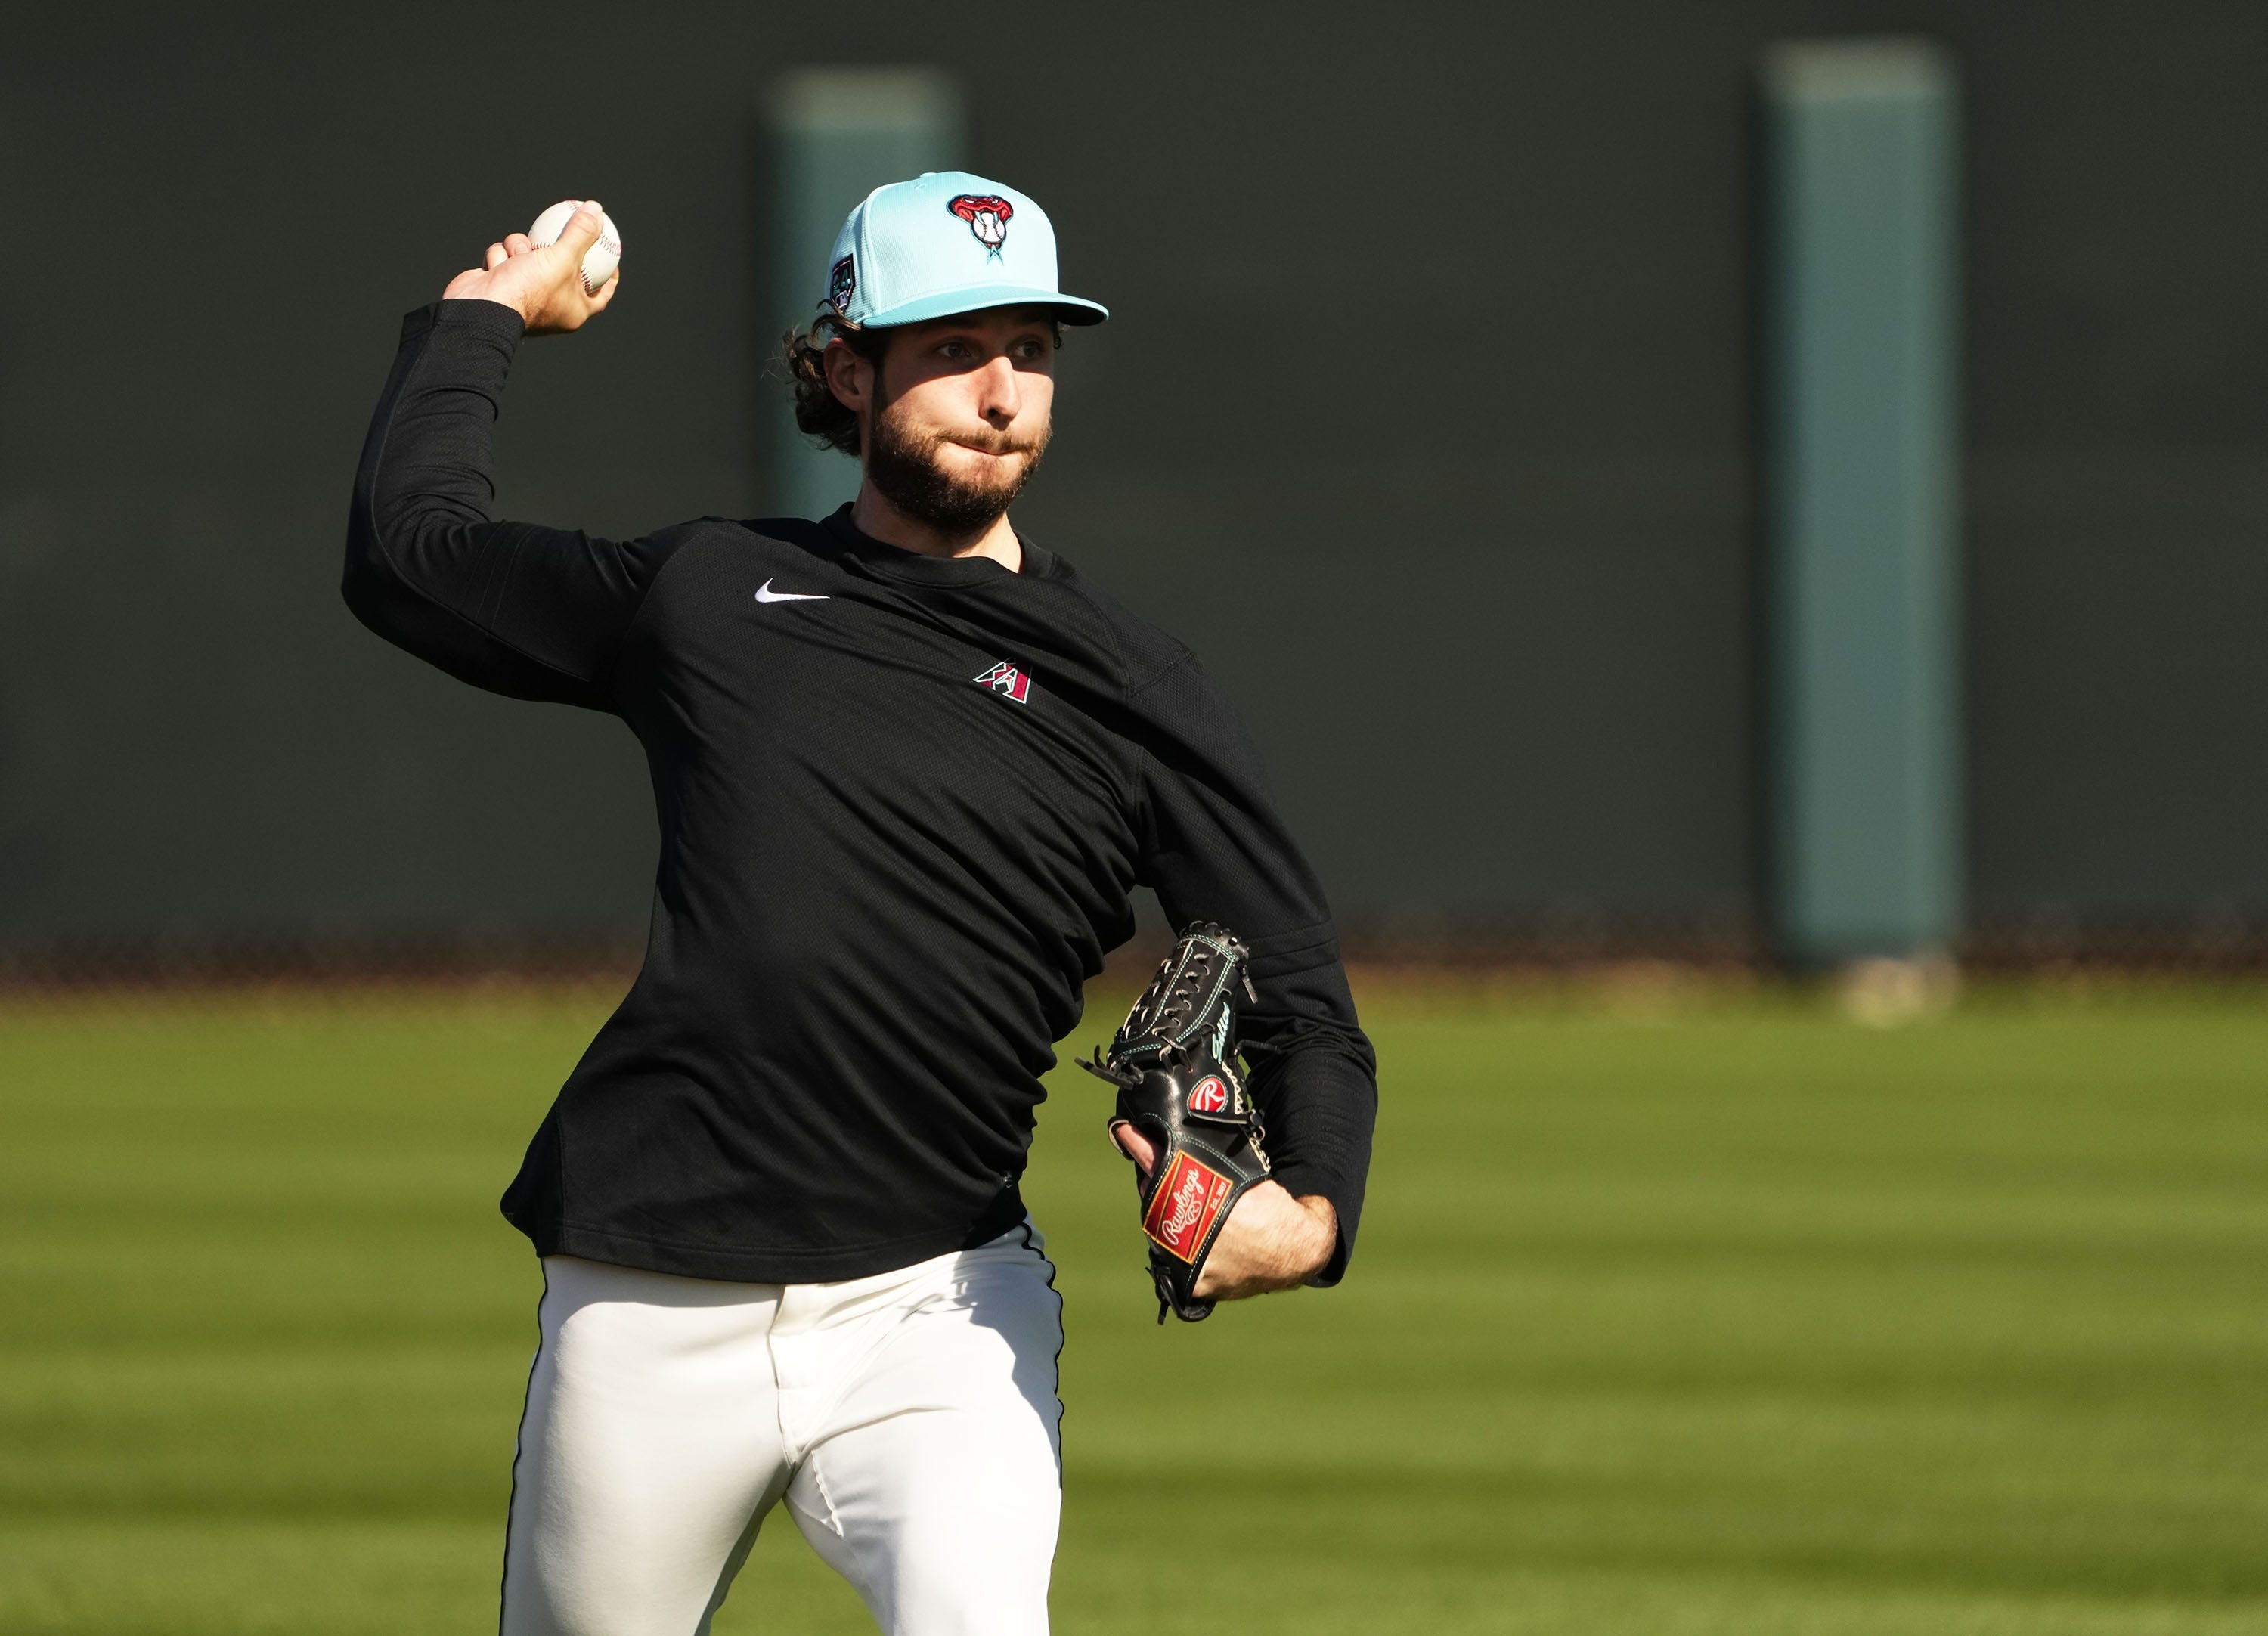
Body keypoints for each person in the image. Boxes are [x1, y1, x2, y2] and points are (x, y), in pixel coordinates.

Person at [344, 172, 1377, 1636]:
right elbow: (410, 559)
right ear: (847, 368)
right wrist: (483, 317)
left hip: (937, 1311)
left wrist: (1313, 1215)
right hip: (648, 1296)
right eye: (953, 347)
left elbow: (1306, 1003)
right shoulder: (712, 591)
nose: (1002, 388)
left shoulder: (1136, 690)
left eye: (1030, 347)